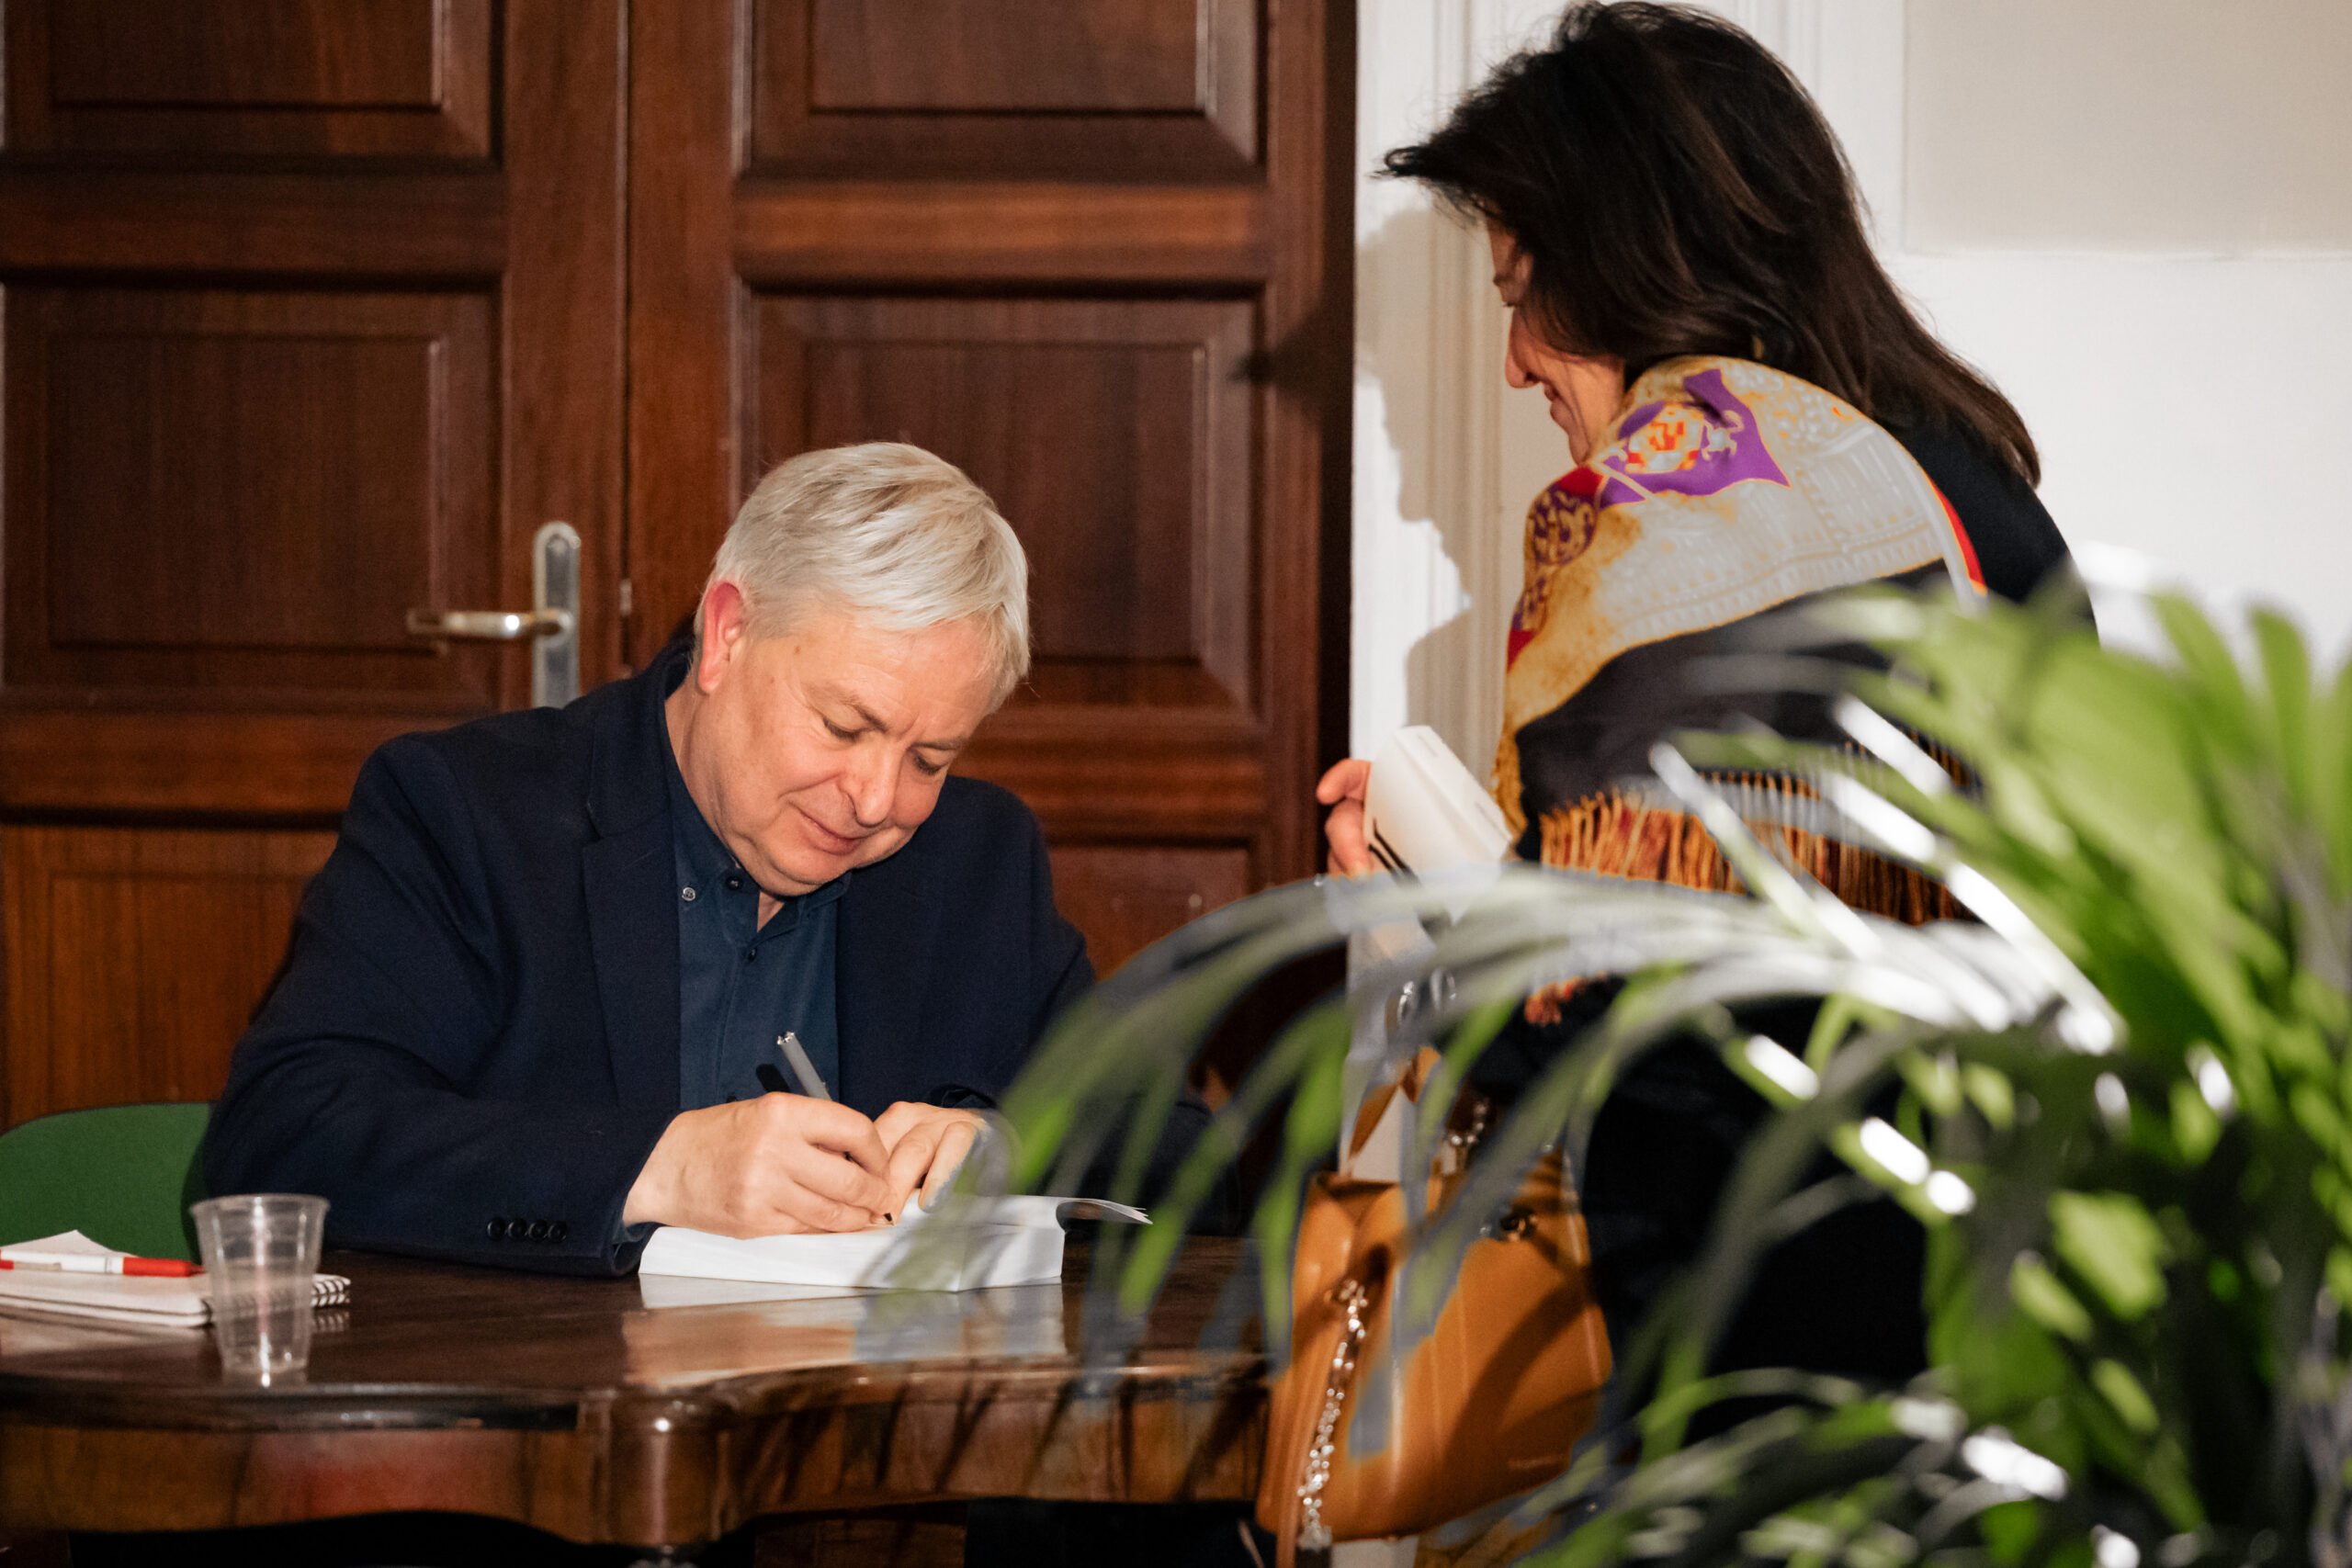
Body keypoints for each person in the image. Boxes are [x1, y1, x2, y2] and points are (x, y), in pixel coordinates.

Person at [1320, 4, 2083, 1403]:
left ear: (1618, 266)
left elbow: (1586, 1017)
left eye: (1515, 296)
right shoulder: (1973, 495)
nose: (1513, 366)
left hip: (1760, 1335)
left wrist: (1418, 908)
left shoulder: (1690, 531)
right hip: (2009, 1302)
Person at [206, 442, 1159, 1275]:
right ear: (727, 634)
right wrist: (660, 1167)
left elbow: (1188, 1154)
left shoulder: (973, 861)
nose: (875, 800)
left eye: (929, 758)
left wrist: (1009, 1150)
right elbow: (284, 1136)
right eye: (842, 726)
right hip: (561, 1441)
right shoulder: (470, 813)